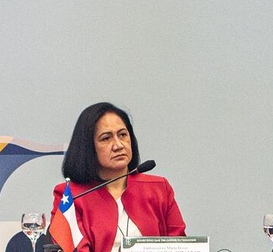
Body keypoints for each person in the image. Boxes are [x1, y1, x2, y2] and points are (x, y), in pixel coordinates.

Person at [50, 102, 186, 252]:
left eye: (122, 135)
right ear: (88, 147)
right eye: (106, 138)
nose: (118, 145)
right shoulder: (71, 196)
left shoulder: (158, 188)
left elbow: (179, 245)